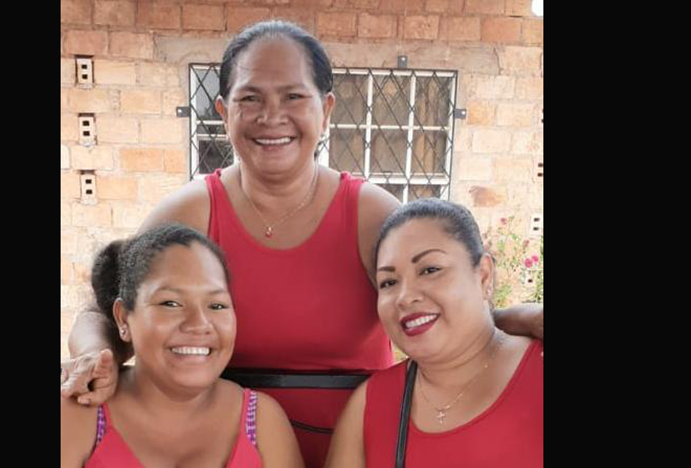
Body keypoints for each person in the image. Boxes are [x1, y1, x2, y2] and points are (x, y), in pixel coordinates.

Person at [60, 20, 544, 468]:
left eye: (293, 96)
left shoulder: (371, 215)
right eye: (250, 99)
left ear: (326, 109)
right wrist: (93, 358)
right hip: (226, 448)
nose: (272, 116)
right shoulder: (188, 214)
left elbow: (435, 303)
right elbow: (110, 309)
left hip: (364, 445)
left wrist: (522, 317)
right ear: (224, 112)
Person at [60, 223, 304, 467]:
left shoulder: (262, 422)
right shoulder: (79, 412)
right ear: (123, 318)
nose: (199, 324)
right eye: (171, 303)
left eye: (217, 305)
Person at [325, 199, 542, 467]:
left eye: (430, 270)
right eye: (389, 282)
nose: (405, 297)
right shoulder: (370, 405)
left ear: (484, 276)